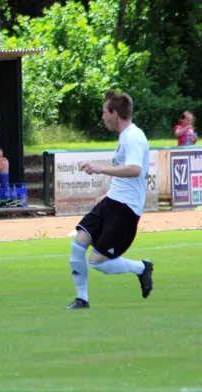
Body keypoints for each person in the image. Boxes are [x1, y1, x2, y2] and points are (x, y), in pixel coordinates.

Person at [64, 90, 154, 310]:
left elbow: (134, 169)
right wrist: (108, 193)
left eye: (104, 112)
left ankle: (141, 268)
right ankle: (81, 299)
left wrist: (100, 169)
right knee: (78, 244)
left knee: (97, 262)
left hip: (125, 210)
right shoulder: (124, 137)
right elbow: (126, 173)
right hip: (112, 201)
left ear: (114, 113)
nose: (102, 116)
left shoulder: (133, 137)